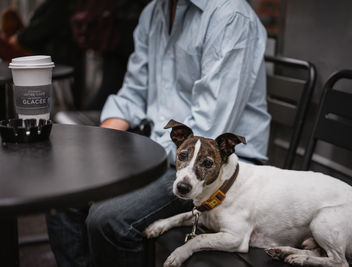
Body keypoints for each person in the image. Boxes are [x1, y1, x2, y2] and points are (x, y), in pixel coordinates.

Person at [45, 0, 271, 266]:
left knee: (107, 219)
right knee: (64, 192)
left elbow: (208, 128)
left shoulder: (229, 15)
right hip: (161, 151)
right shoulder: (155, 11)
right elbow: (133, 92)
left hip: (216, 170)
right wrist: (97, 154)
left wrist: (121, 171)